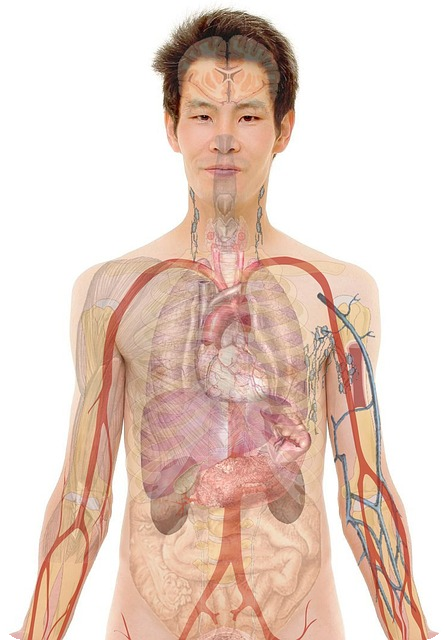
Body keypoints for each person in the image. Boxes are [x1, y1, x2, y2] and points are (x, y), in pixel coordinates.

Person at [8, 8, 439, 640]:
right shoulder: (112, 293)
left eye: (249, 117)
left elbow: (366, 495)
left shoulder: (339, 295)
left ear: (284, 128)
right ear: (171, 126)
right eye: (203, 115)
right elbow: (83, 498)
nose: (225, 139)